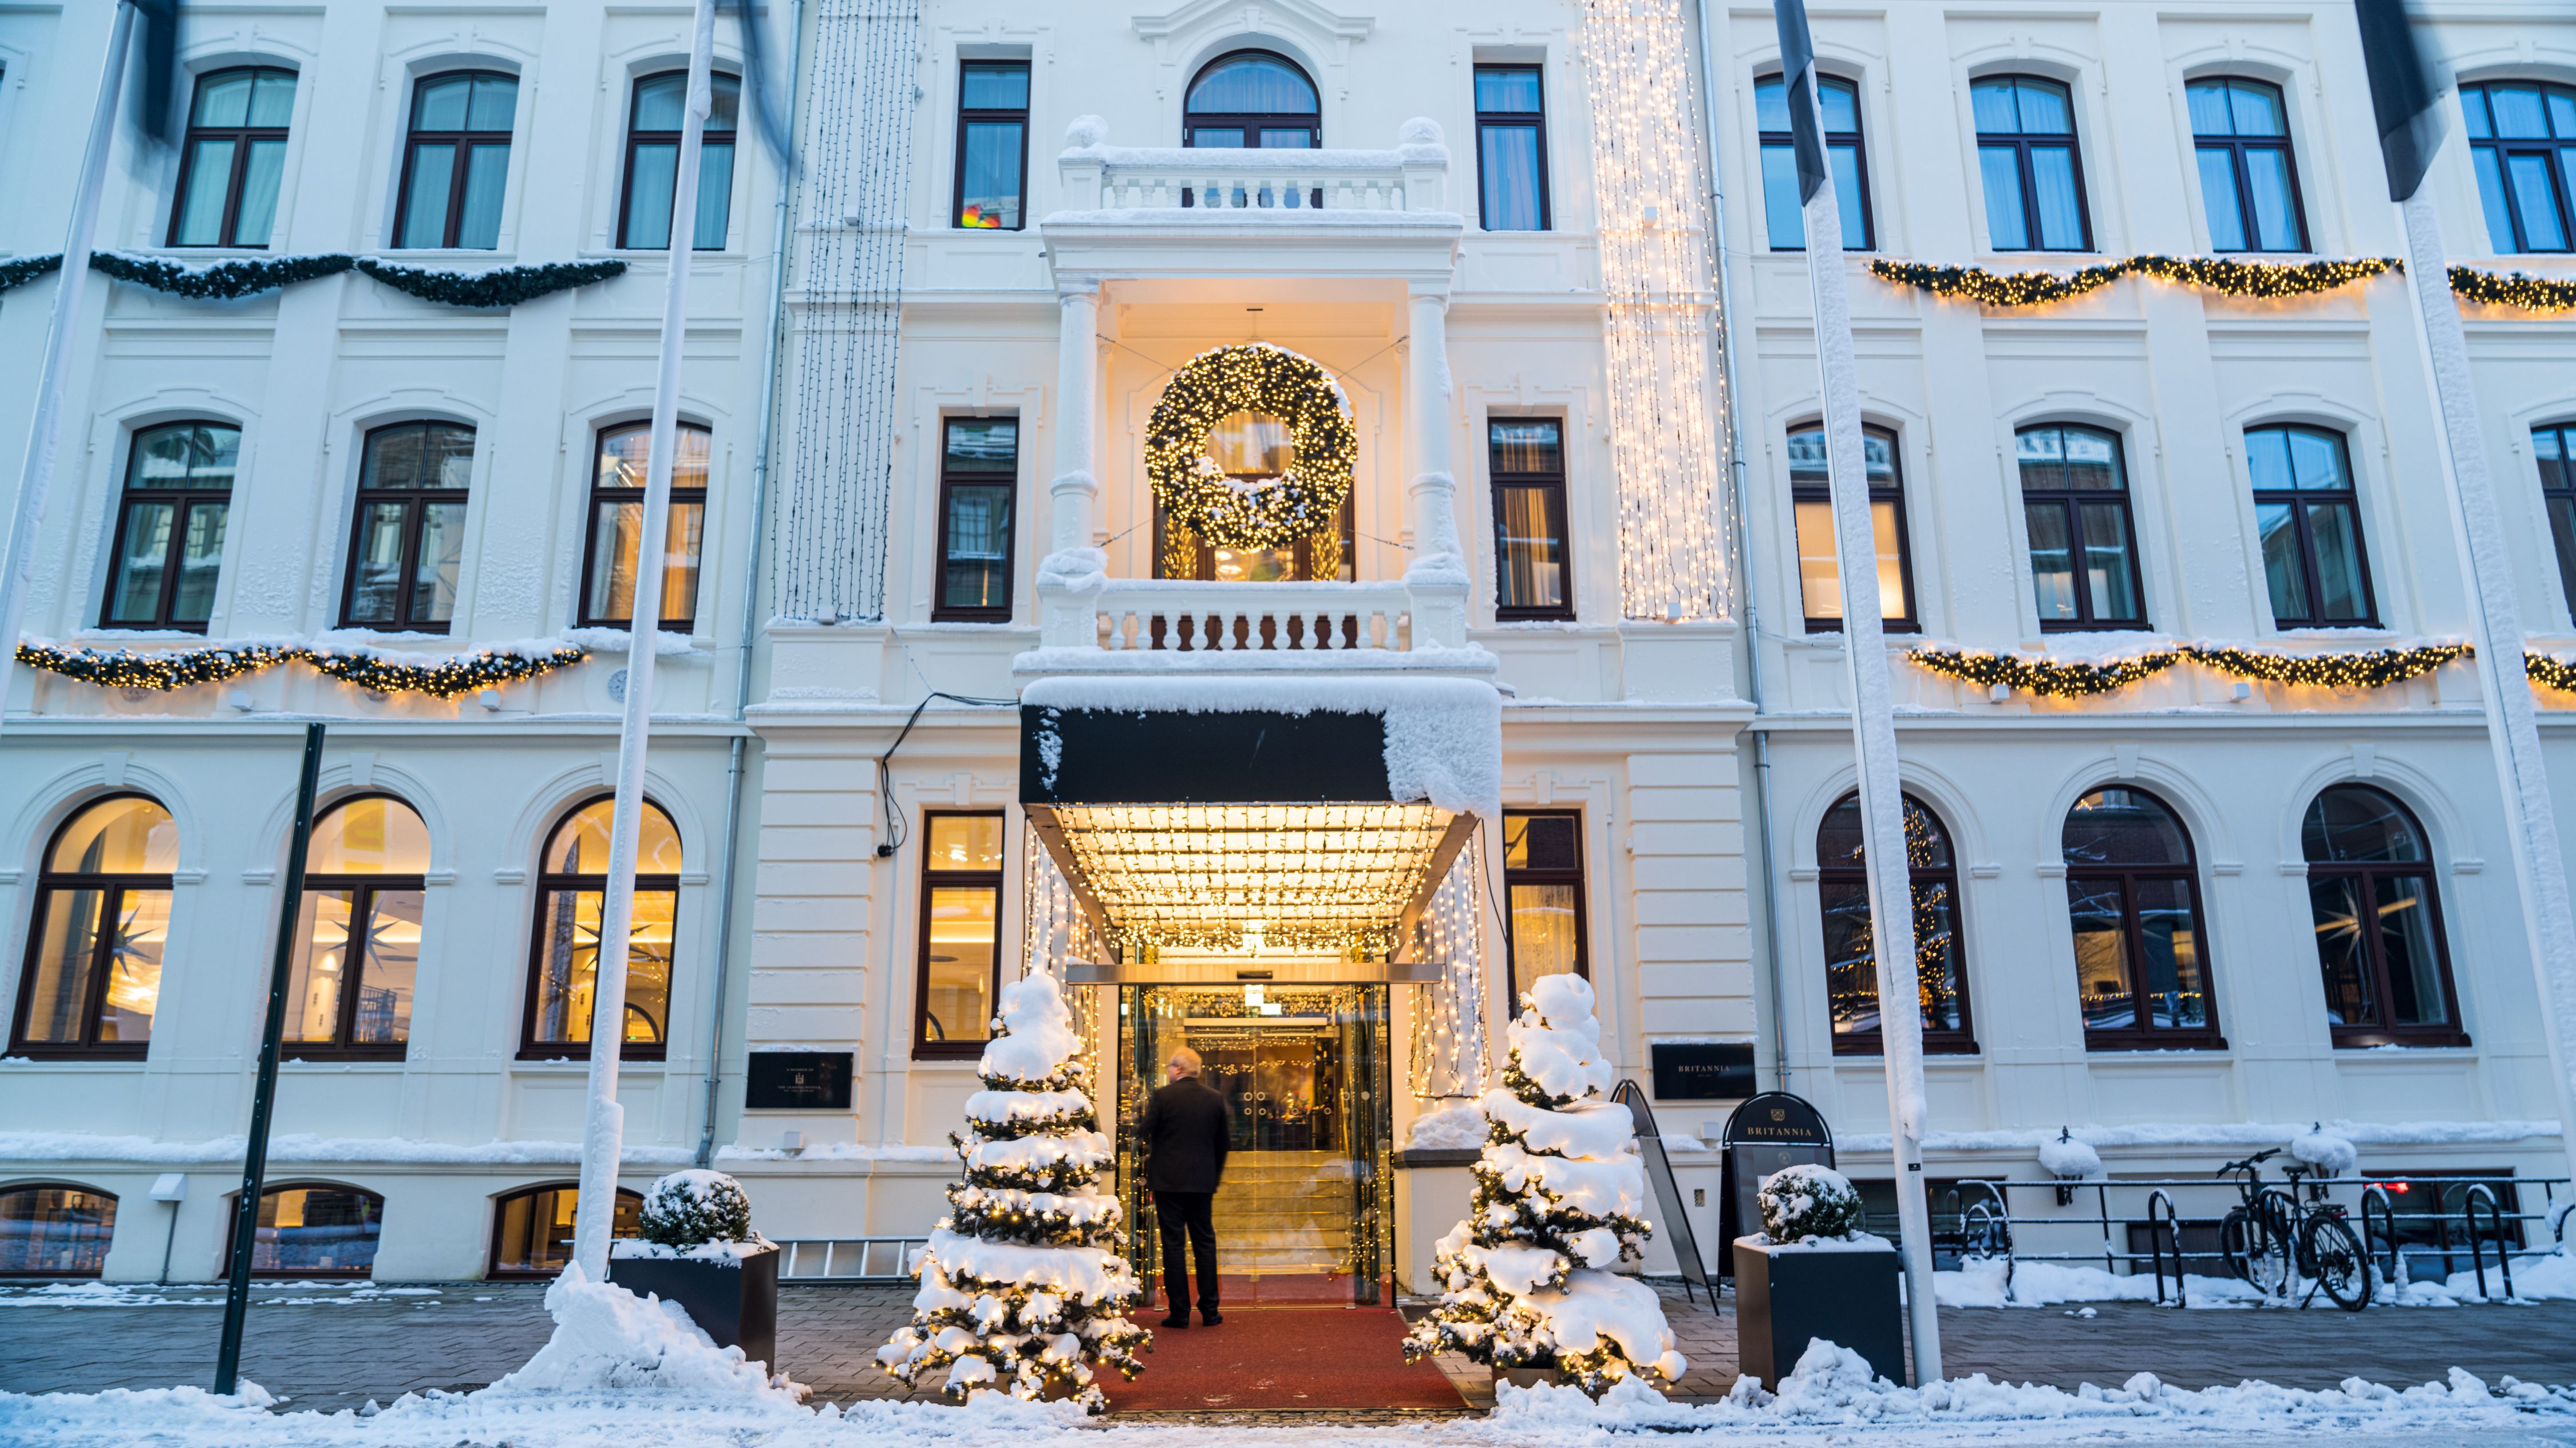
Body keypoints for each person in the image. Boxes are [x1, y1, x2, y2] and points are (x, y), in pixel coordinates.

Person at [1139, 1046, 1230, 1327]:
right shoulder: (1215, 1099)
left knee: (1173, 1245)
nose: (1167, 1071)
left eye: (1169, 1066)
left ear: (1178, 1069)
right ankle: (1210, 1311)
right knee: (1205, 1243)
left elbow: (1144, 1131)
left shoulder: (1163, 1097)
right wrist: (1212, 1177)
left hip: (1168, 1183)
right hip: (1202, 1183)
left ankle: (1179, 1313)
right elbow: (1224, 1143)